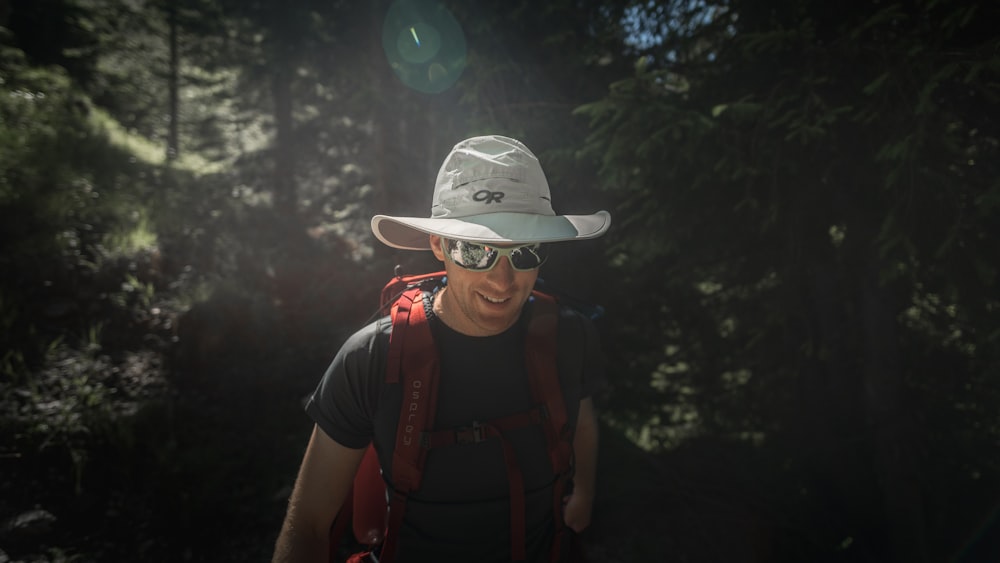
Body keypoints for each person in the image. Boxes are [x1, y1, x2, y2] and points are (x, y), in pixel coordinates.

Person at [272, 135, 611, 563]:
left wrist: (584, 492)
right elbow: (308, 525)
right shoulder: (373, 359)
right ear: (439, 246)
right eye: (475, 251)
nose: (502, 282)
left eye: (524, 253)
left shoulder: (569, 336)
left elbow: (581, 420)